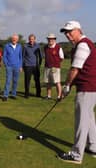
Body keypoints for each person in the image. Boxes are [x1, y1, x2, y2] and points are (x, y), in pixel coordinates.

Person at [58, 21, 96, 164]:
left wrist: (67, 86)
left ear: (78, 30)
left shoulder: (82, 45)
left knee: (82, 121)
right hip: (91, 87)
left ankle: (76, 155)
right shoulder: (84, 44)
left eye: (70, 31)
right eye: (65, 32)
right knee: (89, 118)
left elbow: (75, 69)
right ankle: (94, 147)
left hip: (87, 87)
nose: (67, 34)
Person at [44, 33, 64, 100]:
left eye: (52, 39)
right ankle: (48, 96)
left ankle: (59, 96)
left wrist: (55, 64)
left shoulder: (58, 47)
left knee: (57, 82)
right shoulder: (45, 47)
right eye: (49, 39)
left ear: (54, 39)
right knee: (48, 82)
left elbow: (62, 57)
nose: (50, 40)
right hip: (47, 67)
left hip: (55, 67)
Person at [2, 34, 22, 101]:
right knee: (8, 81)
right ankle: (5, 95)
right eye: (13, 38)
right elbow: (4, 56)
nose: (14, 40)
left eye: (16, 39)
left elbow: (20, 57)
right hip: (9, 66)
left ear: (17, 40)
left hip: (17, 66)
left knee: (15, 81)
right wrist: (6, 64)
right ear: (11, 39)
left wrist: (20, 66)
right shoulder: (7, 46)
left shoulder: (19, 46)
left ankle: (13, 94)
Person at [22, 34, 42, 98]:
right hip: (27, 66)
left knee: (37, 80)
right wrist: (22, 66)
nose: (31, 40)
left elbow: (41, 57)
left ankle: (38, 94)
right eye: (30, 39)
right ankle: (26, 94)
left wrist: (39, 65)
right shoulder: (25, 46)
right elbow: (23, 56)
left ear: (34, 39)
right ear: (29, 39)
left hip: (36, 66)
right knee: (27, 80)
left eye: (32, 39)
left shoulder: (38, 46)